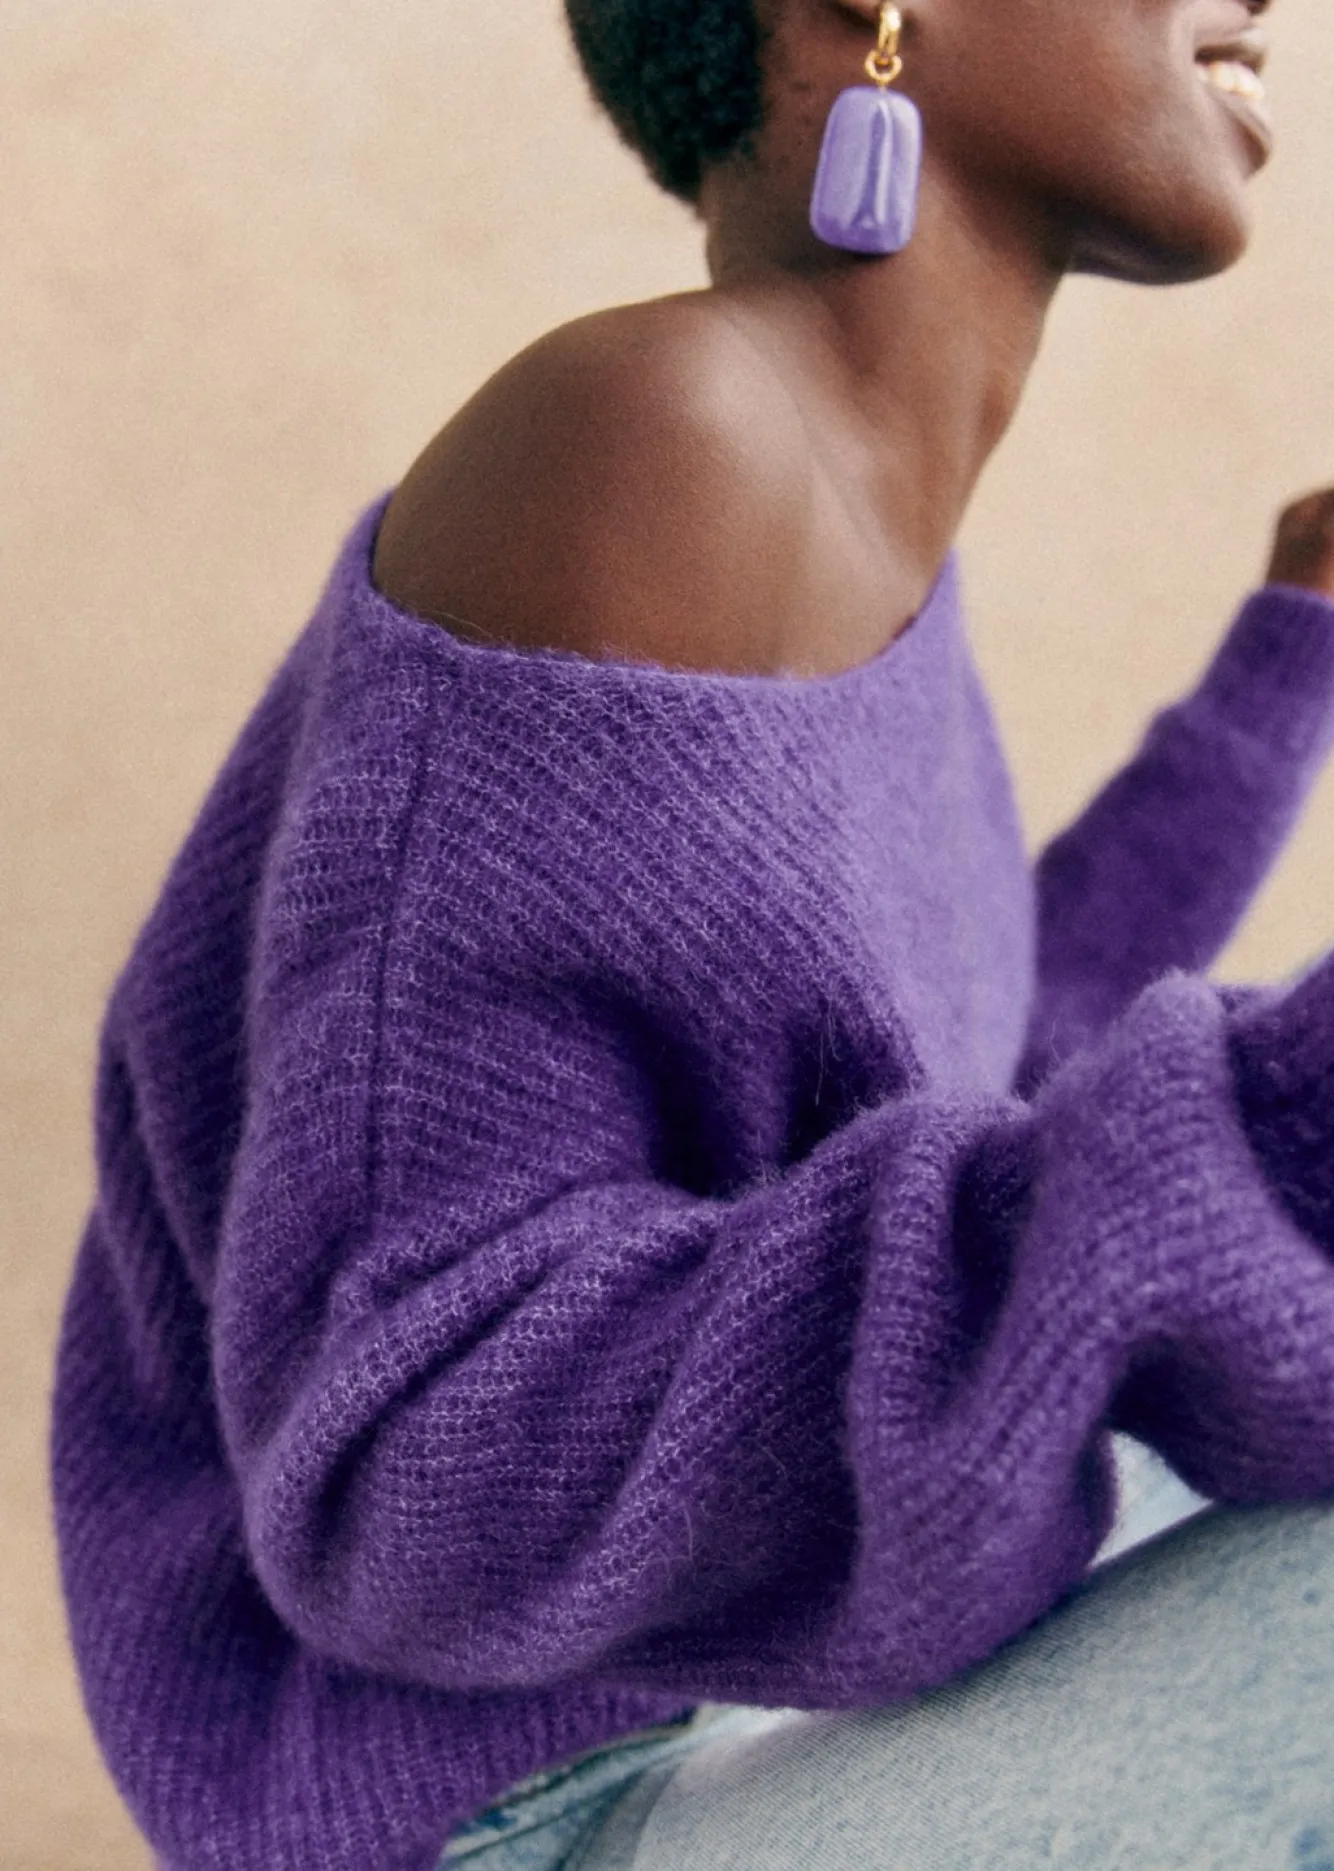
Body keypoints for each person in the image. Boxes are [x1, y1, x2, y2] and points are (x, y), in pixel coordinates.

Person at [50, 0, 1334, 1864]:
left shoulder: (844, 516)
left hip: (746, 1711)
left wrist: (1293, 647)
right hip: (518, 1801)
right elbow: (408, 1473)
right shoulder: (659, 439)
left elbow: (996, 1076)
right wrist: (1282, 1129)